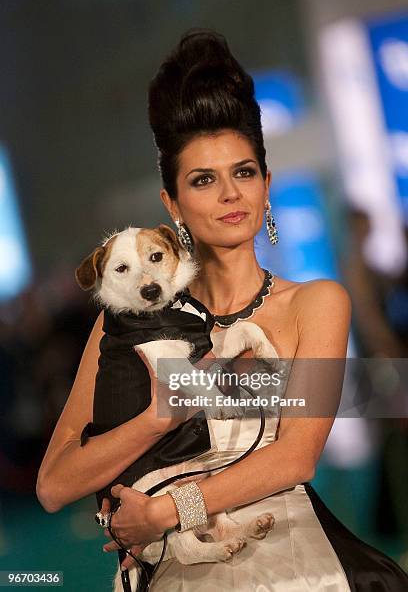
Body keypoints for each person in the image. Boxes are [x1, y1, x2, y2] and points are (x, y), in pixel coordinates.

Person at [36, 29, 408, 591]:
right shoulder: (125, 325)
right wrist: (157, 419)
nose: (230, 194)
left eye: (244, 172)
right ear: (172, 204)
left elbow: (296, 458)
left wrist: (165, 512)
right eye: (203, 180)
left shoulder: (316, 302)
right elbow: (54, 484)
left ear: (266, 184)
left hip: (297, 568)